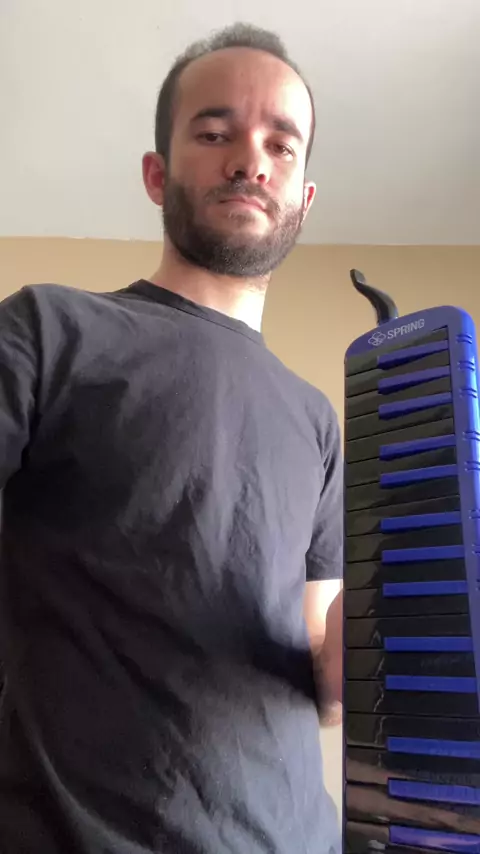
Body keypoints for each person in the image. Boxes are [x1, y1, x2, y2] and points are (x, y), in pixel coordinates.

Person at [0, 21, 343, 854]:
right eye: (216, 133)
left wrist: (384, 633)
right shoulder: (48, 330)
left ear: (303, 199)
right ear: (158, 174)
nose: (251, 160)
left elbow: (324, 673)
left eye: (280, 144)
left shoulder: (318, 421)